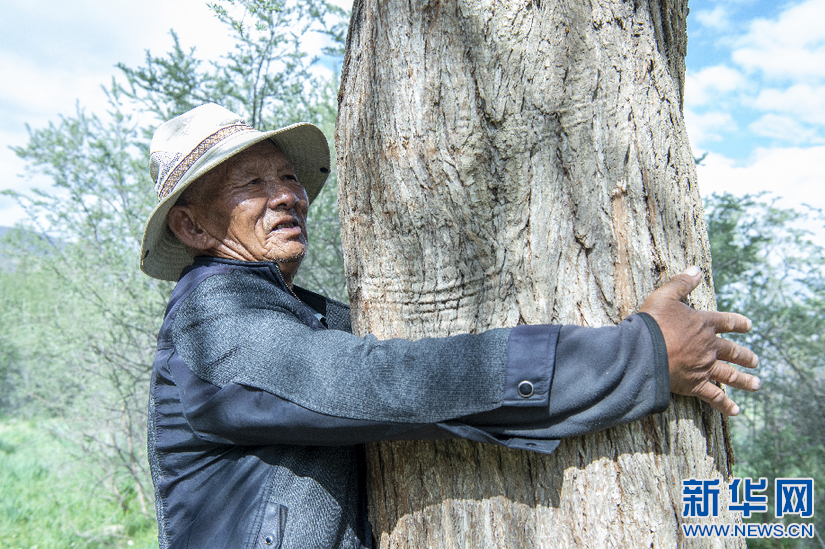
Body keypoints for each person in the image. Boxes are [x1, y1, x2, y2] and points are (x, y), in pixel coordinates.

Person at [140, 103, 760, 549]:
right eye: (252, 183)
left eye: (288, 177)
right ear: (192, 227)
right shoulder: (211, 324)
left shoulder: (298, 314)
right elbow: (381, 381)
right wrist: (641, 355)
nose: (287, 196)